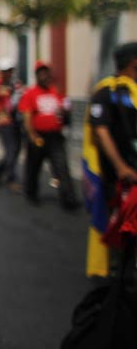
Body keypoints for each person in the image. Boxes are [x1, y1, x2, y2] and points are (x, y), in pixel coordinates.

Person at [83, 41, 137, 279]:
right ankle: (113, 273)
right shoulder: (107, 92)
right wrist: (121, 167)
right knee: (116, 224)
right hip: (116, 176)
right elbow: (101, 131)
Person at [18, 61, 78, 210]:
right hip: (38, 136)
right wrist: (31, 134)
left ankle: (68, 198)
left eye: (46, 73)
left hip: (55, 137)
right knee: (34, 167)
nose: (45, 76)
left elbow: (64, 109)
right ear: (37, 76)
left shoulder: (55, 91)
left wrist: (65, 112)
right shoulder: (30, 94)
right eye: (41, 73)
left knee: (61, 167)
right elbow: (27, 116)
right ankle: (31, 192)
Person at [0, 58, 21, 189]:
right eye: (6, 71)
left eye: (10, 71)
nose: (9, 73)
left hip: (16, 122)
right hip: (3, 122)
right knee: (10, 151)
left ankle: (0, 169)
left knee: (16, 150)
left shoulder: (15, 85)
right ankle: (10, 178)